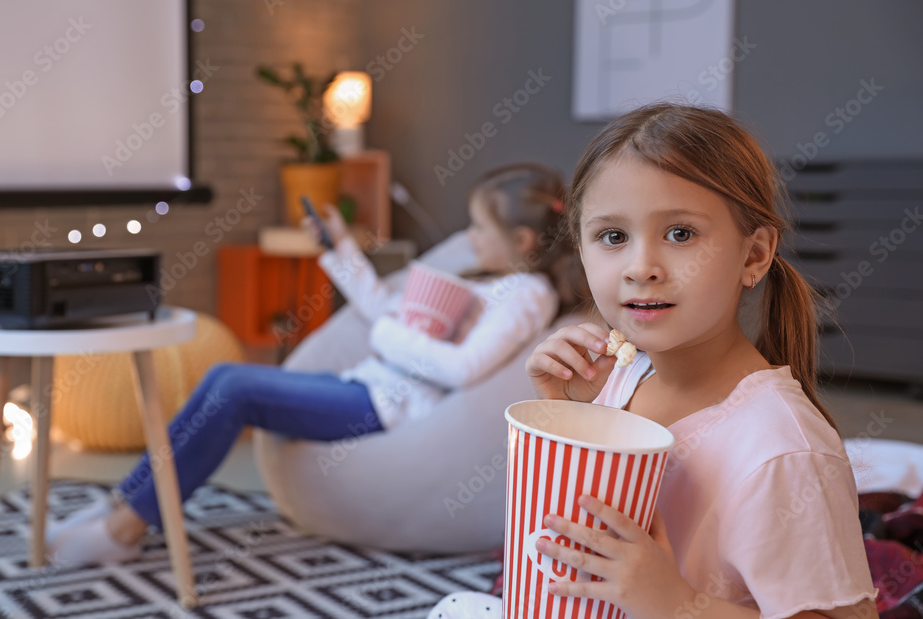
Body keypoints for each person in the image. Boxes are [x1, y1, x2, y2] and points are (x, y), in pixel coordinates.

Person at [428, 104, 879, 619]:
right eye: (613, 237)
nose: (641, 268)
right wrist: (564, 420)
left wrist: (678, 604)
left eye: (681, 234)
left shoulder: (785, 453)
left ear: (753, 256)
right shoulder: (623, 379)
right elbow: (579, 537)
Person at [47, 163, 587, 566]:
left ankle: (123, 528)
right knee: (225, 381)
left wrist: (387, 335)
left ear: (519, 240)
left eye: (478, 227)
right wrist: (341, 252)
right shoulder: (489, 279)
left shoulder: (526, 296)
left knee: (233, 388)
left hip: (386, 408)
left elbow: (463, 369)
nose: (468, 238)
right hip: (366, 387)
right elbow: (392, 313)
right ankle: (128, 505)